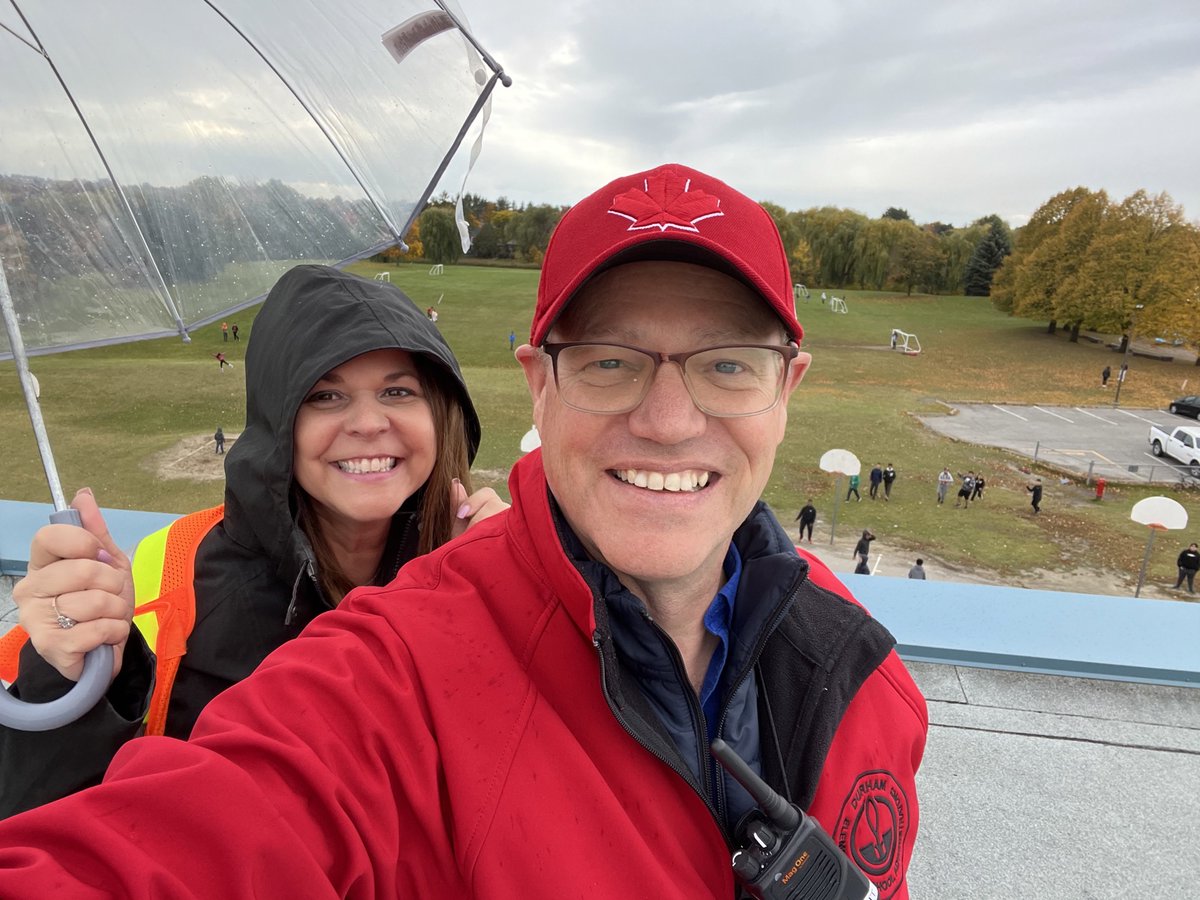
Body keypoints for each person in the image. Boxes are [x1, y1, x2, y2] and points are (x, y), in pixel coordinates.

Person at [0, 164, 926, 898]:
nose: (671, 419)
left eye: (729, 364)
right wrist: (69, 671)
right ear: (538, 383)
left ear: (787, 388)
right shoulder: (387, 663)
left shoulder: (864, 665)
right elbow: (181, 843)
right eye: (610, 361)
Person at [0, 265, 505, 817]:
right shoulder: (174, 583)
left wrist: (501, 609)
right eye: (325, 396)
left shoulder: (481, 570)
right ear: (275, 422)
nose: (367, 422)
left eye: (397, 390)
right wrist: (68, 675)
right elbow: (49, 825)